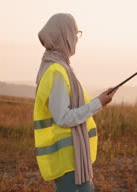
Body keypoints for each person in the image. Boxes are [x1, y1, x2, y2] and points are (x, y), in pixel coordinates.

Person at [33, 13, 116, 192]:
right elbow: (63, 117)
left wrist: (99, 100)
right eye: (74, 33)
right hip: (68, 161)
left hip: (72, 159)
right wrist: (98, 104)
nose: (77, 39)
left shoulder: (56, 66)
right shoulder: (56, 70)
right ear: (64, 35)